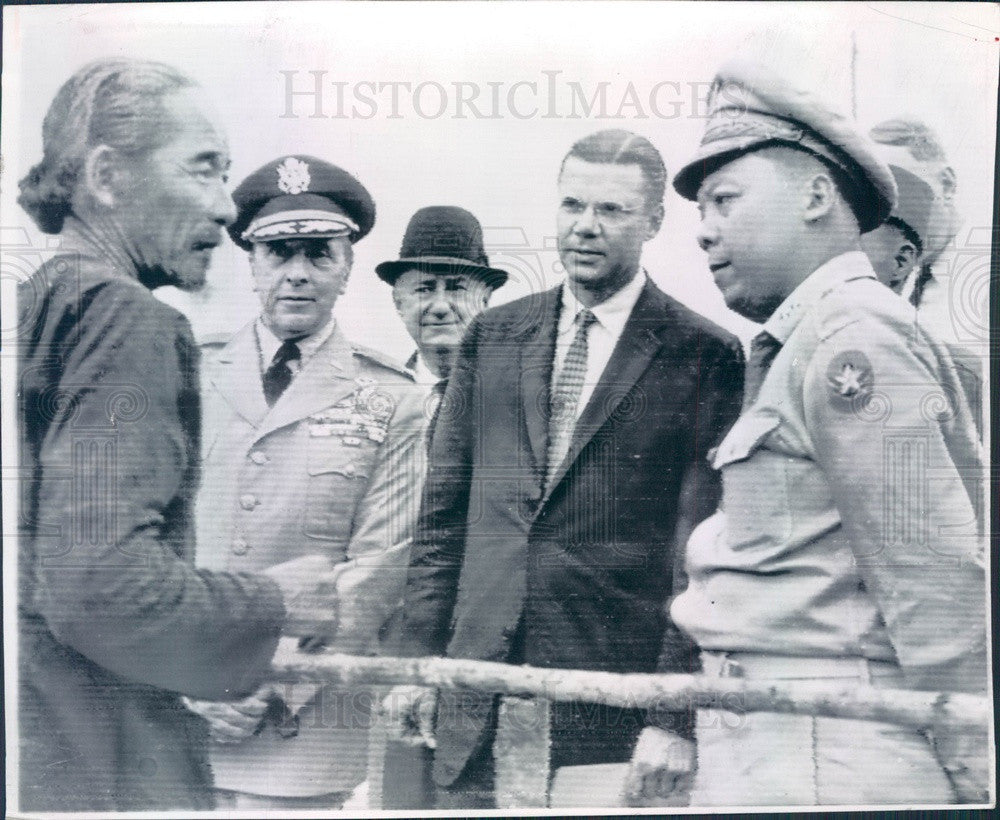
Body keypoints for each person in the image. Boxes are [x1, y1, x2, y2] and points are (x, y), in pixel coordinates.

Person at [15, 60, 342, 812]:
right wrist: (274, 601)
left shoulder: (34, 309)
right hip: (108, 768)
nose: (229, 210)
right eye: (204, 171)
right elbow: (99, 589)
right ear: (105, 175)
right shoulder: (129, 320)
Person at [385, 129, 744, 808]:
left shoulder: (704, 354)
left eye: (610, 211)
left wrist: (673, 713)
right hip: (474, 692)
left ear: (654, 222)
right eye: (572, 205)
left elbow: (702, 560)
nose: (585, 227)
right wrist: (416, 665)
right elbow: (443, 522)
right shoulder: (492, 337)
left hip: (607, 707)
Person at [667, 58, 988, 806]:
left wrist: (980, 776)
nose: (706, 235)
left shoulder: (855, 338)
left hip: (832, 750)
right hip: (780, 737)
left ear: (815, 195)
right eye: (701, 213)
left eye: (725, 200)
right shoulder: (800, 341)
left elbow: (937, 589)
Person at [183, 155, 425, 810]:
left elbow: (377, 569)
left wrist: (268, 682)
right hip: (174, 711)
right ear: (252, 263)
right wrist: (185, 676)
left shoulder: (391, 398)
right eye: (278, 251)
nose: (297, 273)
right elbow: (150, 543)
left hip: (299, 730)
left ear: (347, 267)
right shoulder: (189, 373)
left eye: (318, 253)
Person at [362, 205, 507, 810]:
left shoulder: (514, 397)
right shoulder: (374, 397)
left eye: (457, 287)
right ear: (398, 302)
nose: (440, 304)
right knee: (399, 793)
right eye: (424, 289)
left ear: (486, 299)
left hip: (481, 632)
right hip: (391, 635)